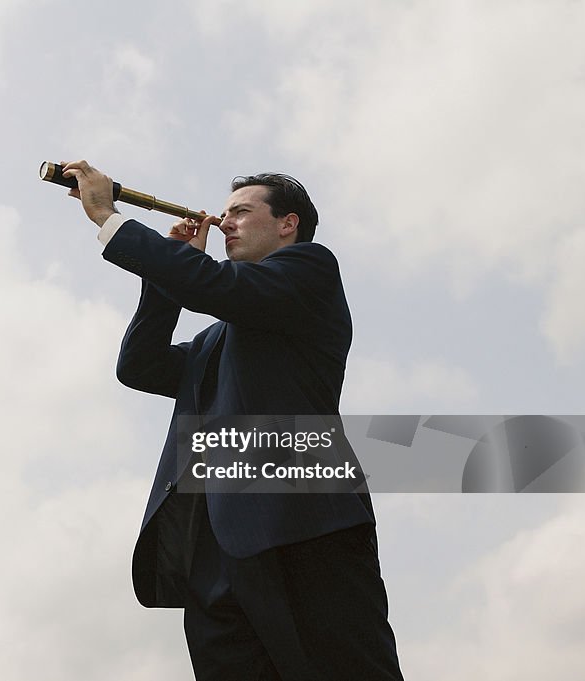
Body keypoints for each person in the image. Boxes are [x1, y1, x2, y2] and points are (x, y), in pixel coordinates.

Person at [60, 160, 405, 680]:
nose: (225, 224)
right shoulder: (216, 339)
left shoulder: (311, 270)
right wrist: (169, 271)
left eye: (241, 212)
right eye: (224, 214)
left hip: (302, 530)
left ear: (287, 224)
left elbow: (217, 287)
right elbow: (140, 365)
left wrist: (109, 217)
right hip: (213, 553)